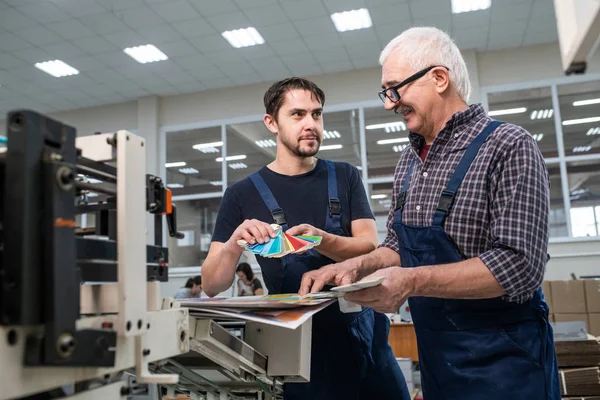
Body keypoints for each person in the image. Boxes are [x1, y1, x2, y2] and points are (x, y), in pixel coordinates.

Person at [300, 27, 560, 400]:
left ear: (439, 78)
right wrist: (355, 267)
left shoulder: (508, 146)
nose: (389, 103)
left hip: (508, 364)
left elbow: (519, 266)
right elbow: (397, 244)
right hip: (439, 364)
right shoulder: (408, 161)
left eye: (395, 88)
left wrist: (412, 282)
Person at [202, 77, 410, 400]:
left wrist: (322, 239)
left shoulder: (345, 176)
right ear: (271, 122)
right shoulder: (240, 195)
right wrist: (233, 245)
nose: (310, 124)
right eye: (298, 114)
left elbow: (369, 246)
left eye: (317, 114)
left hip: (365, 342)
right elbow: (211, 284)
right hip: (298, 354)